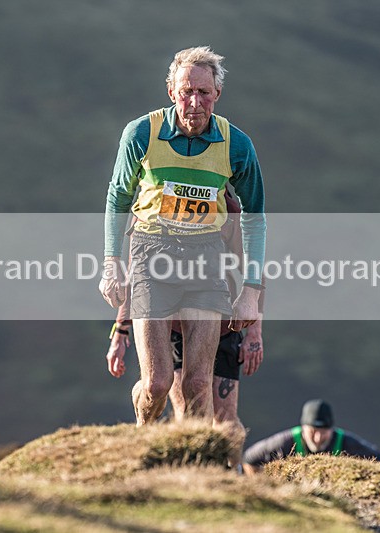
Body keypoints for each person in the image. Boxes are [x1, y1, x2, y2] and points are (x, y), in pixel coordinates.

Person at [100, 46, 266, 426]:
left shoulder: (237, 145)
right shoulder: (141, 133)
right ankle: (145, 442)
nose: (194, 101)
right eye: (186, 91)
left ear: (217, 96)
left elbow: (255, 217)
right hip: (150, 255)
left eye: (203, 93)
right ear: (171, 91)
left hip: (205, 257)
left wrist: (251, 293)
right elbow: (118, 197)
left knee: (196, 384)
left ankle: (194, 473)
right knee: (157, 384)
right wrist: (112, 262)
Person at [106, 191, 264, 468]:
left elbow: (254, 269)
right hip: (174, 325)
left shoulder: (228, 207)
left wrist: (254, 333)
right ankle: (190, 473)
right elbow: (136, 273)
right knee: (184, 409)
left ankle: (233, 476)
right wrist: (121, 330)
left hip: (222, 323)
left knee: (226, 421)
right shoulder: (152, 198)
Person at [242, 399, 380, 473]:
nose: (317, 438)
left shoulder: (346, 443)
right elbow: (250, 458)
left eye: (324, 432)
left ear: (332, 429)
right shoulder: (285, 442)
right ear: (303, 427)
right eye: (313, 431)